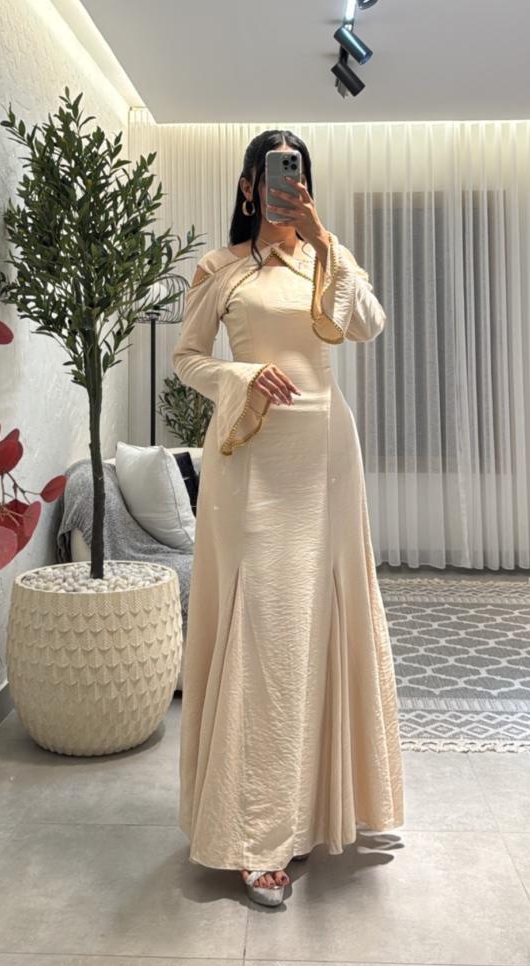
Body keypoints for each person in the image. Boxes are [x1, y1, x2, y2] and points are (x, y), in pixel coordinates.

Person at [173, 129, 405, 908]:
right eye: (271, 173)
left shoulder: (327, 256)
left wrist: (322, 236)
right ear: (249, 186)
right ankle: (256, 833)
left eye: (295, 173)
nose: (282, 184)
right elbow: (188, 358)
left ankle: (336, 803)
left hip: (326, 457)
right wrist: (242, 375)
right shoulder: (220, 268)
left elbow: (367, 324)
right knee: (267, 628)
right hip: (253, 458)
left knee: (326, 617)